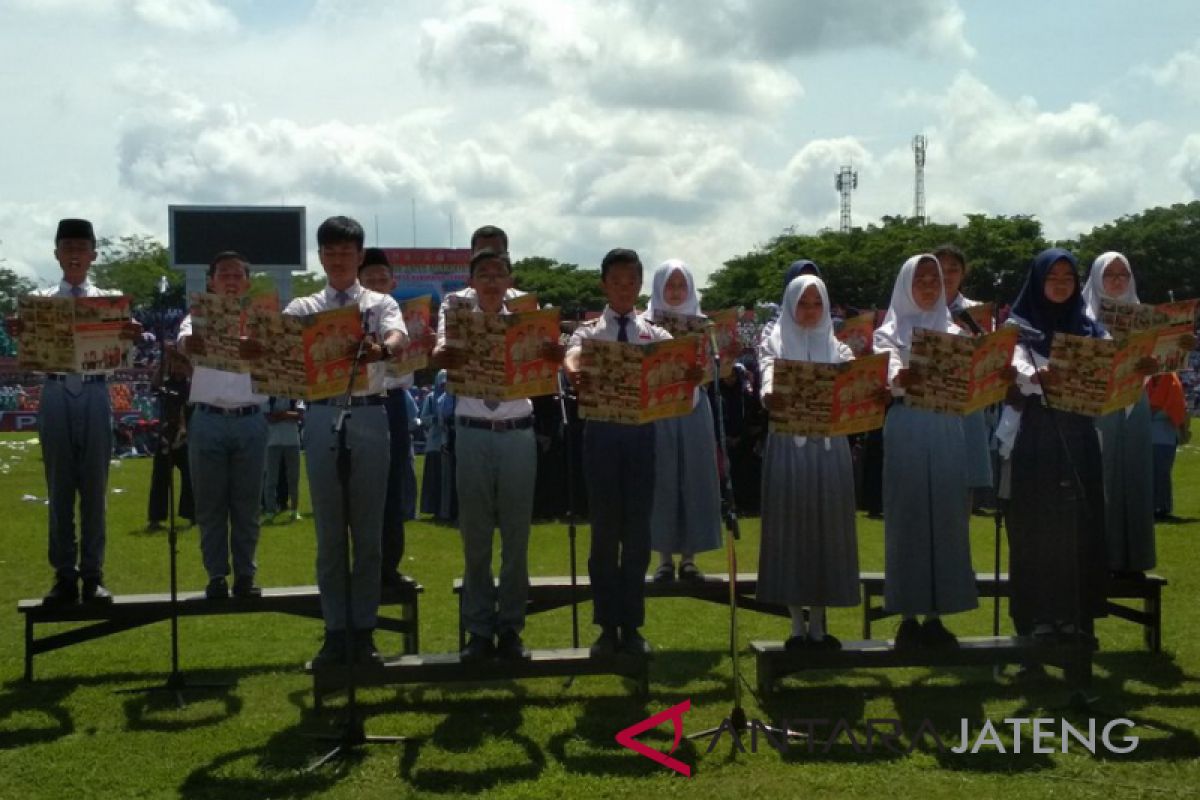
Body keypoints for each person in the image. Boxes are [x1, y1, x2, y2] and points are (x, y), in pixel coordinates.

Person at [279, 216, 408, 665]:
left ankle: (365, 631)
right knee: (330, 534)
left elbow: (396, 335)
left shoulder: (380, 303)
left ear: (359, 256)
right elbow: (282, 346)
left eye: (346, 253)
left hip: (371, 414)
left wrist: (382, 347)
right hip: (320, 415)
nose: (338, 260)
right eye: (330, 252)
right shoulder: (302, 306)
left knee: (368, 535)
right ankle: (336, 631)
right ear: (320, 257)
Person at [433, 248, 564, 661]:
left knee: (516, 538)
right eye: (483, 274)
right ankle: (477, 630)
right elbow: (438, 350)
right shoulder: (455, 309)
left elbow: (549, 362)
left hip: (516, 432)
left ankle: (510, 627)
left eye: (499, 274)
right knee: (475, 538)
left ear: (510, 280)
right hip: (472, 429)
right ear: (471, 280)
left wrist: (554, 357)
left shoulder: (527, 312)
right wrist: (441, 355)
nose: (491, 281)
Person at [1003, 248, 1125, 642]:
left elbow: (1109, 366)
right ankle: (1037, 618)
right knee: (1036, 528)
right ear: (1037, 282)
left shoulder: (1091, 328)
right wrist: (1039, 377)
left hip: (1079, 434)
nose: (1059, 284)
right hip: (1038, 433)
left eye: (1067, 278)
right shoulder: (1018, 327)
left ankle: (1075, 616)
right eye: (1051, 277)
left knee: (1079, 526)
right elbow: (1017, 366)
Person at [19, 219, 141, 604]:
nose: (74, 253)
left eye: (80, 247)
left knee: (94, 488)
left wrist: (129, 338)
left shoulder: (108, 300)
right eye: (66, 246)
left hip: (94, 389)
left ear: (93, 254)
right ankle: (63, 575)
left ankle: (93, 573)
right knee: (58, 487)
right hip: (55, 389)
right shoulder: (40, 300)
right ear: (56, 254)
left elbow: (127, 358)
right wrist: (21, 333)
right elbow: (30, 361)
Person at [565, 248, 678, 656]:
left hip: (642, 437)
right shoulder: (590, 331)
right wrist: (574, 367)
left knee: (637, 535)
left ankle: (630, 624)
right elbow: (572, 352)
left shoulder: (655, 333)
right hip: (601, 436)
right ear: (604, 285)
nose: (625, 288)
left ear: (639, 285)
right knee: (604, 533)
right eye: (617, 281)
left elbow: (677, 363)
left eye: (632, 281)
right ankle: (605, 625)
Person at [873, 254, 978, 649]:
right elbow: (887, 372)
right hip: (907, 423)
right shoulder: (889, 331)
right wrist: (899, 377)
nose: (930, 286)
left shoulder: (955, 330)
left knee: (946, 514)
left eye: (935, 279)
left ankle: (937, 613)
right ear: (905, 284)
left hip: (947, 423)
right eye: (920, 280)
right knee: (909, 514)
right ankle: (907, 613)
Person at [758, 274, 862, 649]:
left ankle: (818, 622)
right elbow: (768, 372)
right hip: (790, 445)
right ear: (789, 305)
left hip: (830, 448)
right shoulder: (774, 340)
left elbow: (854, 381)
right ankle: (795, 625)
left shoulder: (837, 348)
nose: (809, 311)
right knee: (792, 529)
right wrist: (770, 393)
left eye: (816, 304)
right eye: (802, 303)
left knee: (826, 531)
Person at [176, 251, 269, 599]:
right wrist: (190, 343)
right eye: (223, 275)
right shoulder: (195, 317)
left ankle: (245, 574)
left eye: (236, 275)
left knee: (247, 506)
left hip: (250, 418)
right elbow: (184, 343)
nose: (230, 281)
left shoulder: (262, 321)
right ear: (212, 281)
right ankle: (216, 575)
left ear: (246, 283)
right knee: (210, 505)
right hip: (208, 419)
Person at [641, 260, 722, 582]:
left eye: (681, 286)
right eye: (669, 286)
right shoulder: (643, 323)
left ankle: (689, 557)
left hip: (693, 407)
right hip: (657, 410)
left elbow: (717, 368)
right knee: (660, 479)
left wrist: (705, 371)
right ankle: (663, 558)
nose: (675, 292)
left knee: (694, 476)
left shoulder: (705, 325)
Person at [1080, 252, 1158, 577]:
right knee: (1104, 478)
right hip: (1101, 404)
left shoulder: (1143, 315)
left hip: (1134, 403)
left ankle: (1135, 557)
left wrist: (1153, 363)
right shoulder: (1084, 318)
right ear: (1097, 278)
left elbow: (1159, 356)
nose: (1116, 281)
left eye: (1122, 275)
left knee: (1136, 476)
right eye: (1109, 275)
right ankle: (1104, 556)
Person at [358, 247, 422, 587]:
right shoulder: (348, 315)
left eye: (383, 279)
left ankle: (389, 566)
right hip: (355, 400)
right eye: (370, 279)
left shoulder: (406, 317)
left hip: (393, 399)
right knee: (355, 487)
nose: (378, 284)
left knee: (394, 484)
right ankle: (360, 564)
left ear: (393, 282)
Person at [935, 244, 996, 513]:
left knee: (962, 499)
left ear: (963, 274)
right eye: (940, 269)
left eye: (953, 269)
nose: (946, 275)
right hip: (929, 405)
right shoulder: (913, 309)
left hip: (966, 408)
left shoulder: (976, 313)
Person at [146, 343, 195, 531]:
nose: (178, 367)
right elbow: (154, 384)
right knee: (160, 477)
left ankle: (192, 515)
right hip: (166, 436)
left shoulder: (191, 387)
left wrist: (184, 360)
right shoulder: (165, 385)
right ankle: (155, 518)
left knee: (190, 478)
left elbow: (195, 377)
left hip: (186, 437)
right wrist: (165, 361)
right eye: (175, 364)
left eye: (180, 364)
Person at [1147, 372, 1189, 522]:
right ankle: (1152, 506)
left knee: (1162, 473)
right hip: (1149, 435)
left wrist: (1152, 411)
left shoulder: (1171, 381)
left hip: (1165, 436)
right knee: (1151, 473)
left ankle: (1163, 507)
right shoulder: (1148, 382)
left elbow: (1175, 407)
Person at [262, 396, 302, 522]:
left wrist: (280, 415)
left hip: (293, 442)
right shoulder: (269, 397)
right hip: (272, 442)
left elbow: (300, 415)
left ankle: (294, 510)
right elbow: (269, 418)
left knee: (293, 478)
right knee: (270, 479)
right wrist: (288, 414)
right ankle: (270, 511)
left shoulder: (295, 395)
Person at [419, 370, 452, 518]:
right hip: (434, 443)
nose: (444, 386)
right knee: (433, 480)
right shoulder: (431, 399)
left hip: (447, 442)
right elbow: (423, 418)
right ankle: (433, 508)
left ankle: (445, 508)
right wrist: (436, 419)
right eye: (442, 384)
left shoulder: (452, 399)